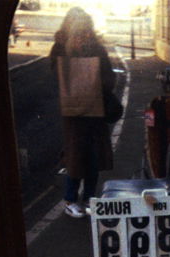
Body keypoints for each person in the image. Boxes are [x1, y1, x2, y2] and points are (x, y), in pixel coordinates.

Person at [50, 7, 115, 218]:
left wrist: (98, 84)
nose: (83, 34)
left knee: (94, 158)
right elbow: (56, 74)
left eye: (85, 28)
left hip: (95, 111)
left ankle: (88, 198)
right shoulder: (60, 47)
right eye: (78, 29)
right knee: (76, 156)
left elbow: (109, 77)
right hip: (74, 114)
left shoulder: (97, 48)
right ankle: (70, 199)